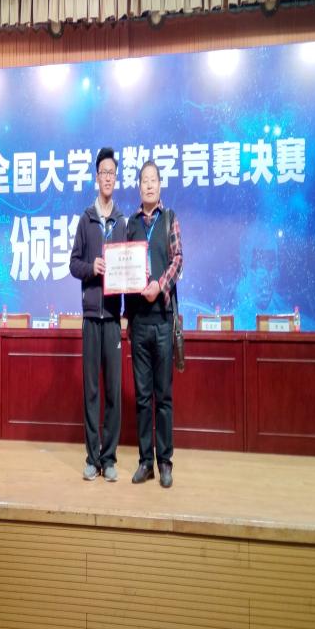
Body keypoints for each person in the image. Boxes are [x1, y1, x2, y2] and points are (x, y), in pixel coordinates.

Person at [70, 147, 127, 482]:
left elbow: (130, 267)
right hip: (92, 317)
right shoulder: (86, 219)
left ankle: (110, 458)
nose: (107, 178)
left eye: (112, 173)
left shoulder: (122, 222)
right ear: (96, 177)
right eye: (103, 172)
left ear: (116, 179)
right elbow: (73, 264)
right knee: (91, 391)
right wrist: (91, 267)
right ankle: (92, 457)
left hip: (114, 318)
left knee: (112, 392)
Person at [125, 161, 183, 488]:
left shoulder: (170, 219)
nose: (148, 185)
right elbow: (122, 266)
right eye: (144, 180)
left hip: (162, 320)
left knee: (164, 396)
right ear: (139, 187)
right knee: (143, 398)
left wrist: (159, 285)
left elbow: (178, 259)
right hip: (138, 322)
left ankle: (165, 463)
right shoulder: (130, 224)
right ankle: (145, 462)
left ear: (160, 185)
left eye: (153, 180)